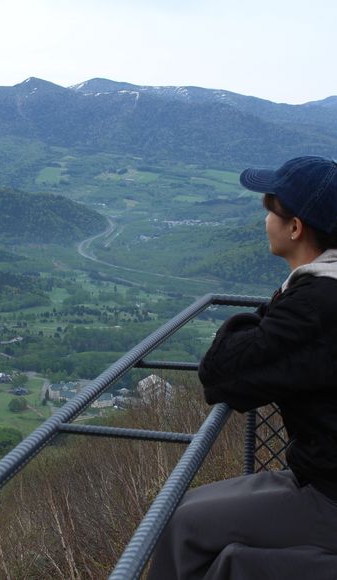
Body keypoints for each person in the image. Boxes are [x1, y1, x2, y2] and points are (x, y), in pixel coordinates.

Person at [147, 156, 337, 580]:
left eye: (271, 209)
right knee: (185, 511)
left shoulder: (316, 305)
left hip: (329, 495)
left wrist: (266, 310)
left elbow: (221, 374)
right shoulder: (319, 292)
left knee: (186, 528)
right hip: (319, 475)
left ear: (295, 227)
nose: (265, 219)